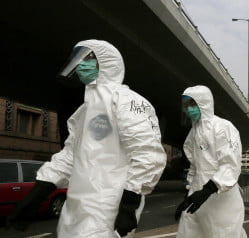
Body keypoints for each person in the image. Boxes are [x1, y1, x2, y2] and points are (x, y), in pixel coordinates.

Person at [6, 39, 167, 237]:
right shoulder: (83, 112)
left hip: (108, 206)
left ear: (106, 63)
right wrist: (37, 195)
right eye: (77, 59)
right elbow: (69, 156)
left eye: (86, 58)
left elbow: (148, 153)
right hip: (74, 207)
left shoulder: (129, 101)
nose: (80, 64)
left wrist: (129, 204)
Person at [175, 85, 247, 238]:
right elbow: (194, 167)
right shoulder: (193, 133)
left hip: (222, 201)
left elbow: (230, 165)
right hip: (198, 199)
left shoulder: (223, 127)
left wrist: (208, 189)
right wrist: (188, 195)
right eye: (186, 105)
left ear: (204, 103)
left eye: (192, 104)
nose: (189, 109)